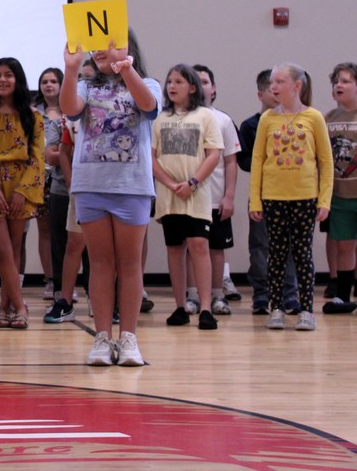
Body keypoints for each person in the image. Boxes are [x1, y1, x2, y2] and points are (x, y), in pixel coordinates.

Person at [59, 32, 161, 366]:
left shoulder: (148, 82)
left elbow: (148, 106)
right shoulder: (88, 87)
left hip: (131, 186)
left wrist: (126, 68)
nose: (100, 50)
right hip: (91, 186)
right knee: (101, 264)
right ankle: (102, 338)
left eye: (109, 43)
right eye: (96, 46)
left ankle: (129, 338)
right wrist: (71, 70)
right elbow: (70, 108)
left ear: (127, 47)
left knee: (130, 264)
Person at [249, 63, 332, 331]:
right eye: (272, 82)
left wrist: (324, 200)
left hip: (305, 197)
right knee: (276, 253)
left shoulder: (314, 118)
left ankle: (306, 309)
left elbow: (325, 161)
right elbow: (258, 160)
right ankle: (276, 308)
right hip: (273, 197)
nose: (273, 87)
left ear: (297, 86)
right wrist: (255, 200)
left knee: (302, 253)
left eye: (280, 81)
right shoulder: (267, 119)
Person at [152, 64, 222, 330]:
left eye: (178, 81)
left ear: (192, 87)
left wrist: (192, 182)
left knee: (199, 245)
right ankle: (180, 306)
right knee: (174, 249)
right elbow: (152, 157)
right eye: (169, 81)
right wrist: (170, 183)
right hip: (169, 195)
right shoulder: (160, 119)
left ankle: (205, 307)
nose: (172, 86)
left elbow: (213, 154)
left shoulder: (206, 116)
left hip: (196, 194)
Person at [0, 58, 45, 329]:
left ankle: (6, 306)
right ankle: (18, 306)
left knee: (15, 248)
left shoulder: (33, 117)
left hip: (21, 187)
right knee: (2, 249)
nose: (2, 80)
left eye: (9, 75)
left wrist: (22, 191)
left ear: (18, 79)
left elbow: (38, 158)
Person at [239, 69, 299, 314]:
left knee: (290, 246)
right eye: (270, 88)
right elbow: (243, 161)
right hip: (263, 194)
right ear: (260, 94)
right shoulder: (251, 125)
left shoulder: (296, 121)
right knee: (261, 246)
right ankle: (262, 295)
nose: (275, 93)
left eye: (279, 86)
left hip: (291, 193)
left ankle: (289, 294)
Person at [191, 65, 241, 316]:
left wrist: (229, 196)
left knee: (216, 248)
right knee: (192, 247)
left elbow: (231, 161)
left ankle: (218, 295)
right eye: (196, 81)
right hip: (190, 199)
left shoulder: (223, 120)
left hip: (216, 198)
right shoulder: (182, 120)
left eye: (205, 81)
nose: (201, 86)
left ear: (214, 88)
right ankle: (193, 296)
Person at [322, 62, 357, 314]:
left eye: (346, 81)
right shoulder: (327, 119)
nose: (339, 85)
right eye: (337, 81)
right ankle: (342, 296)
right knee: (344, 246)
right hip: (339, 195)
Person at [33, 68, 63, 300]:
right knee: (45, 230)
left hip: (65, 176)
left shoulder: (72, 110)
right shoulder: (33, 113)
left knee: (69, 231)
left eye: (53, 81)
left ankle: (68, 280)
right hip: (41, 177)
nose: (49, 85)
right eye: (44, 81)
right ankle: (51, 280)